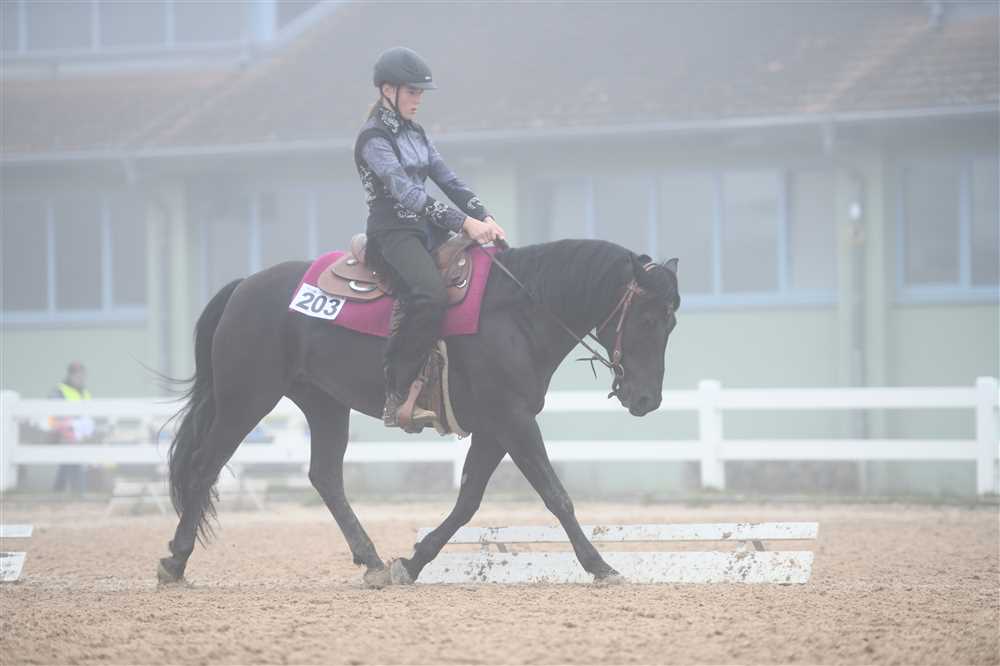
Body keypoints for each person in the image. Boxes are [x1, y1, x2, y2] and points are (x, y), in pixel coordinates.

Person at [354, 46, 507, 430]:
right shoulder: (373, 139)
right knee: (430, 294)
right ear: (387, 90)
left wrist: (483, 215)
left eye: (420, 92)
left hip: (426, 230)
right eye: (412, 92)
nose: (418, 99)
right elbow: (406, 193)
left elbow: (448, 180)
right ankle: (397, 393)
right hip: (392, 235)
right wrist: (463, 223)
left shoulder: (416, 133)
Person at [50, 361, 94, 493]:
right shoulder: (59, 391)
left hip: (81, 436)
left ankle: (69, 491)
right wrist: (67, 429)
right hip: (65, 435)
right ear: (70, 375)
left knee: (75, 464)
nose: (80, 378)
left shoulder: (85, 393)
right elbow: (55, 414)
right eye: (76, 375)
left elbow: (89, 415)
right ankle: (75, 491)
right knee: (69, 463)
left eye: (82, 375)